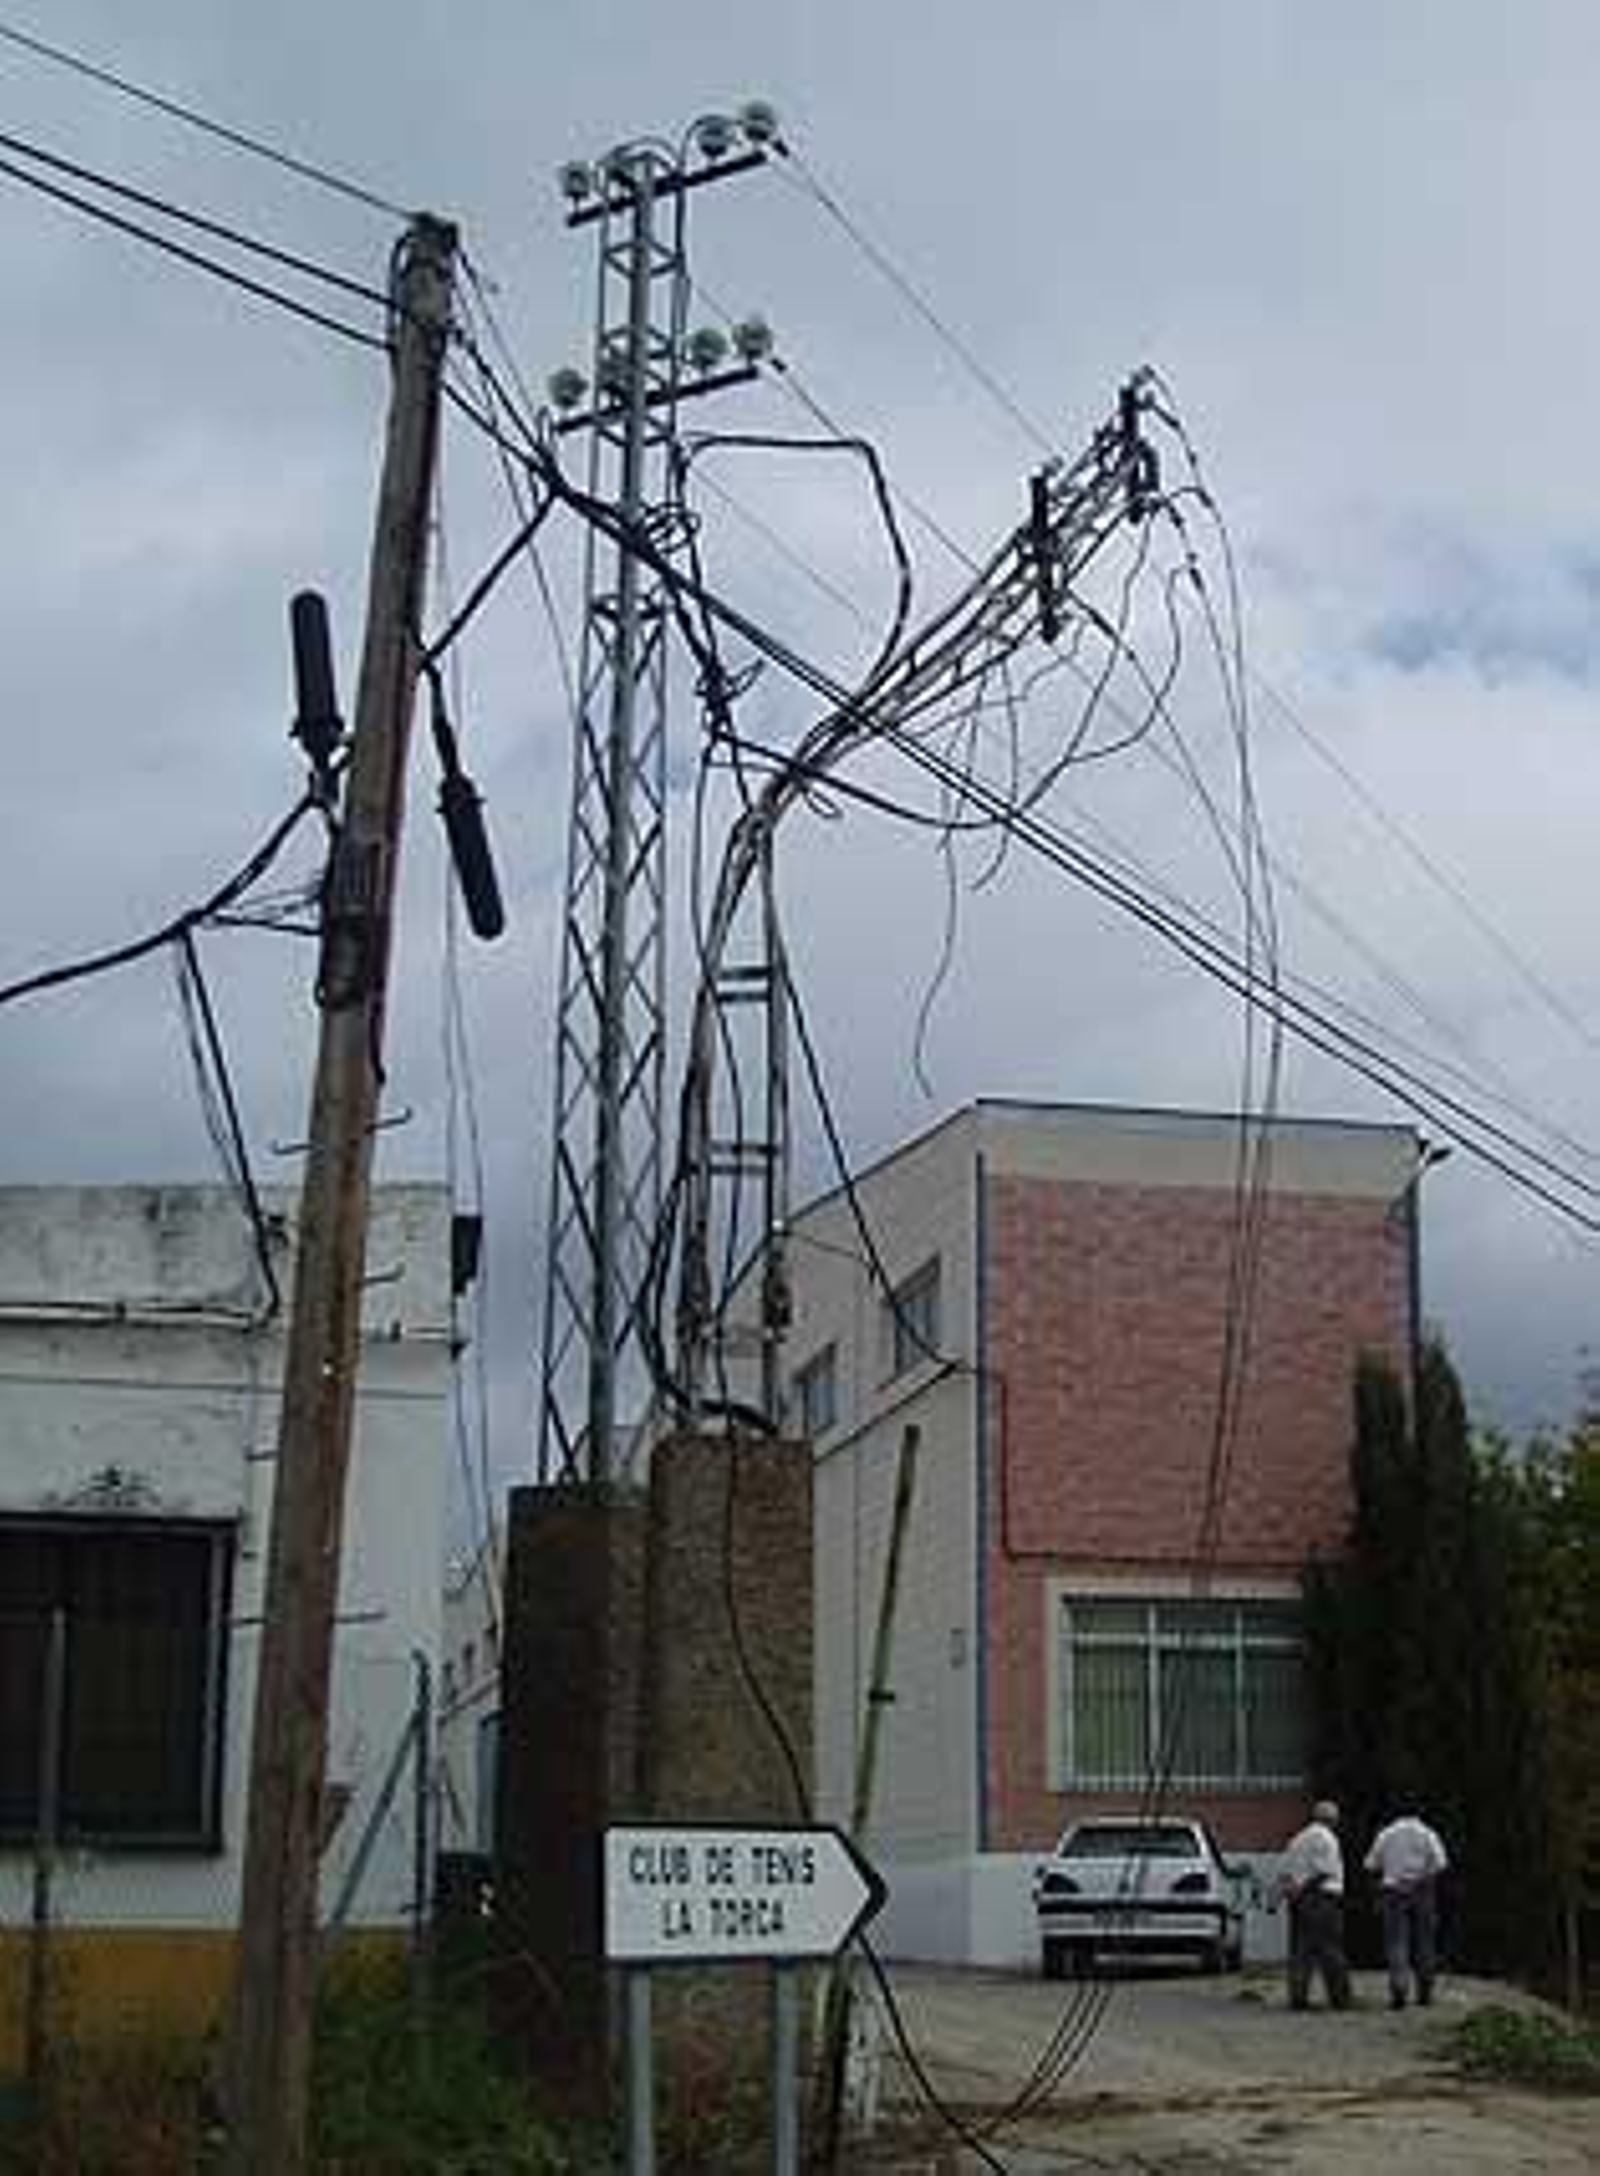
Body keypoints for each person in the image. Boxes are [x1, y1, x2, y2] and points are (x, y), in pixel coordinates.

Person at [1364, 1804, 1448, 2010]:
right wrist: (1420, 1877)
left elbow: (1370, 1864)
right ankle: (1425, 1993)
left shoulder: (1386, 1833)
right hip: (1422, 1891)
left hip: (1393, 1892)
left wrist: (1384, 1881)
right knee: (1425, 1942)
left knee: (1396, 1942)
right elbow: (1441, 1864)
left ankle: (1399, 1990)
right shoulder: (1428, 1833)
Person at [1279, 1798, 1350, 2011]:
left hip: (1299, 1901)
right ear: (1332, 1818)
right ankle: (1340, 1998)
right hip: (1322, 1898)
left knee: (1300, 1952)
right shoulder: (1326, 1838)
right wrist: (1305, 1889)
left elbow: (1285, 1873)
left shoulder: (1297, 1839)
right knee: (1331, 1949)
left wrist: (1291, 1894)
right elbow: (1323, 1872)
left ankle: (1298, 1998)